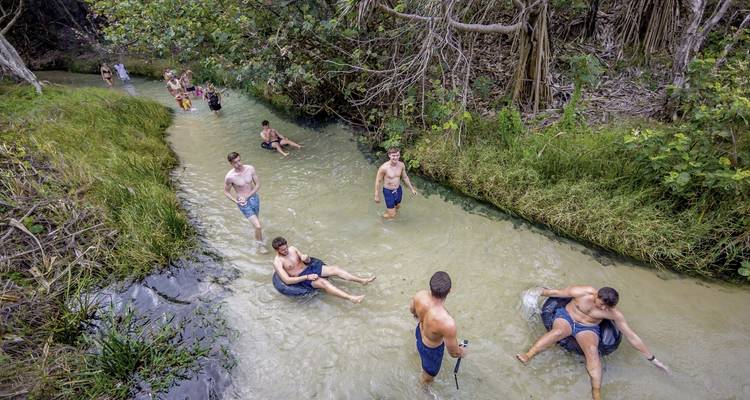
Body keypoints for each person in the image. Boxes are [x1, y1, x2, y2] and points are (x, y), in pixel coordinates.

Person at [516, 286, 669, 400]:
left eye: (606, 307)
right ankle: (528, 355)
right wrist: (531, 293)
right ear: (596, 295)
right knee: (558, 332)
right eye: (600, 304)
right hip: (566, 318)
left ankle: (596, 393)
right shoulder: (582, 292)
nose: (602, 308)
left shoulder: (614, 314)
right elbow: (555, 293)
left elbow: (632, 336)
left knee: (592, 350)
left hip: (587, 328)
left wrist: (653, 359)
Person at [271, 237, 375, 303]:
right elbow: (287, 280)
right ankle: (351, 298)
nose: (286, 251)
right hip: (301, 277)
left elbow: (306, 259)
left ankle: (362, 280)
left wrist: (305, 257)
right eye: (283, 250)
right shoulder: (278, 262)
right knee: (324, 283)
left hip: (310, 268)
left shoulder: (293, 249)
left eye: (286, 248)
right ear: (277, 250)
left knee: (335, 269)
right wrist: (307, 277)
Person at [410, 271, 466, 385]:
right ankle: (423, 391)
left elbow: (412, 310)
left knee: (419, 351)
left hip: (419, 332)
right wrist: (462, 352)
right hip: (431, 351)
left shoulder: (420, 295)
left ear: (430, 287)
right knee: (427, 379)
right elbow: (453, 353)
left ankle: (418, 356)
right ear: (449, 291)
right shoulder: (447, 322)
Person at [223, 152, 264, 249]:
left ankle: (258, 237)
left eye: (239, 160)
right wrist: (236, 201)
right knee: (258, 226)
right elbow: (226, 192)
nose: (239, 164)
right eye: (235, 162)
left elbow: (258, 185)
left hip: (254, 198)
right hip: (243, 203)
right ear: (231, 163)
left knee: (257, 223)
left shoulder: (250, 169)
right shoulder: (230, 177)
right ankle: (260, 246)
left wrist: (248, 196)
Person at [374, 147, 417, 219]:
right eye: (393, 155)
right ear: (389, 155)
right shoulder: (384, 168)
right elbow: (378, 181)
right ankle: (382, 218)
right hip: (388, 192)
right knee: (392, 215)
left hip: (398, 190)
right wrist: (376, 195)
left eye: (397, 155)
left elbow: (405, 177)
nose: (396, 157)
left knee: (398, 207)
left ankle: (391, 211)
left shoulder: (401, 165)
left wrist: (412, 189)